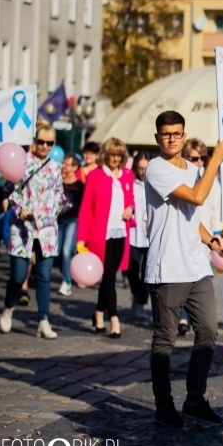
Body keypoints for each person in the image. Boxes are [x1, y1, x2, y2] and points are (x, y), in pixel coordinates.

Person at [144, 110, 223, 428]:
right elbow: (196, 198)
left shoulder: (195, 170)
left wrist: (212, 243)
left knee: (209, 331)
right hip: (167, 267)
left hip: (196, 265)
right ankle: (163, 404)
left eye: (177, 133)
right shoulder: (156, 169)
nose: (171, 138)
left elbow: (193, 220)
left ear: (184, 135)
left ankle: (195, 397)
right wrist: (215, 161)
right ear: (158, 138)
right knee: (165, 338)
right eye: (166, 134)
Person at [0, 122, 64, 338]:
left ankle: (43, 320)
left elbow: (59, 195)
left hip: (46, 229)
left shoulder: (55, 167)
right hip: (22, 229)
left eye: (49, 142)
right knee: (18, 275)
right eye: (41, 141)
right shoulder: (23, 162)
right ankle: (8, 309)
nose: (45, 146)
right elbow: (11, 189)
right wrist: (20, 209)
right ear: (34, 141)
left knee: (44, 275)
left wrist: (49, 213)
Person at [77, 138, 135, 338]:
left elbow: (131, 200)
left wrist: (130, 209)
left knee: (109, 276)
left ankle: (99, 313)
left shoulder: (127, 175)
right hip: (101, 235)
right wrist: (80, 239)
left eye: (119, 155)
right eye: (113, 154)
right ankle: (115, 319)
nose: (116, 159)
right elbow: (85, 208)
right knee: (109, 276)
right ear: (106, 155)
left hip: (121, 232)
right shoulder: (95, 175)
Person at [177, 138, 222, 336]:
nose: (198, 162)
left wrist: (217, 237)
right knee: (181, 280)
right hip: (182, 238)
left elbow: (215, 211)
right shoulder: (179, 179)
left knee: (200, 279)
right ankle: (182, 316)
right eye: (193, 158)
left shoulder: (212, 180)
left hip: (205, 240)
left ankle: (196, 318)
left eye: (202, 158)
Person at [56, 154, 85, 296]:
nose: (64, 166)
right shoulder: (57, 182)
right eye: (63, 163)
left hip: (72, 221)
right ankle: (67, 275)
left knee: (67, 251)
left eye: (67, 164)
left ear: (75, 167)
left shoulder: (80, 186)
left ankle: (66, 282)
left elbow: (84, 206)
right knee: (58, 252)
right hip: (58, 220)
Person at [127, 151, 150, 320]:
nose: (143, 172)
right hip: (134, 234)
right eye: (140, 168)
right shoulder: (130, 184)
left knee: (147, 273)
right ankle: (135, 293)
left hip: (150, 235)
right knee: (132, 270)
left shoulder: (154, 185)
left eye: (146, 168)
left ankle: (141, 303)